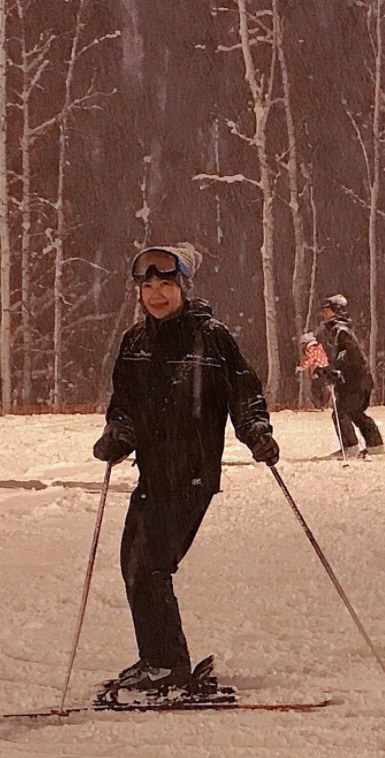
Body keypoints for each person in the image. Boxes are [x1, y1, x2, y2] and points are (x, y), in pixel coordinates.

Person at [93, 243, 279, 692]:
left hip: (192, 473)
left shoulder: (211, 337)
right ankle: (156, 658)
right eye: (148, 286)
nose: (157, 295)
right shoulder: (135, 342)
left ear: (183, 287)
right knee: (134, 566)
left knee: (151, 564)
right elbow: (125, 404)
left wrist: (256, 430)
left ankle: (168, 665)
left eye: (166, 285)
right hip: (152, 474)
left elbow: (244, 392)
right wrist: (119, 434)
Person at [317, 293, 385, 458]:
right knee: (354, 412)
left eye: (327, 310)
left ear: (336, 311)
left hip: (355, 382)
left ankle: (351, 447)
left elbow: (349, 356)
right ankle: (375, 444)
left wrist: (335, 370)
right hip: (359, 381)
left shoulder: (341, 332)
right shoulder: (340, 330)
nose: (323, 313)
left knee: (341, 413)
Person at [297, 331, 330, 409]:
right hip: (325, 369)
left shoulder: (312, 349)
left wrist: (302, 367)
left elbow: (310, 359)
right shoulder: (319, 348)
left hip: (318, 370)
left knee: (315, 389)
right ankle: (323, 404)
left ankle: (320, 405)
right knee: (321, 386)